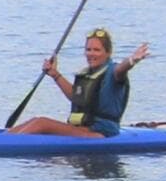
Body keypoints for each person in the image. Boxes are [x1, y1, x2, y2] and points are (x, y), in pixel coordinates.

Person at [9, 28, 150, 136]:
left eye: (96, 50)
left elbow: (121, 69)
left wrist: (132, 60)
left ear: (108, 53)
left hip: (99, 134)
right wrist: (55, 75)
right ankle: (2, 137)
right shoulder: (87, 74)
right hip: (81, 130)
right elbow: (76, 98)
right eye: (88, 49)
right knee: (34, 120)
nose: (91, 53)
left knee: (41, 123)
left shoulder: (114, 72)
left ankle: (6, 145)